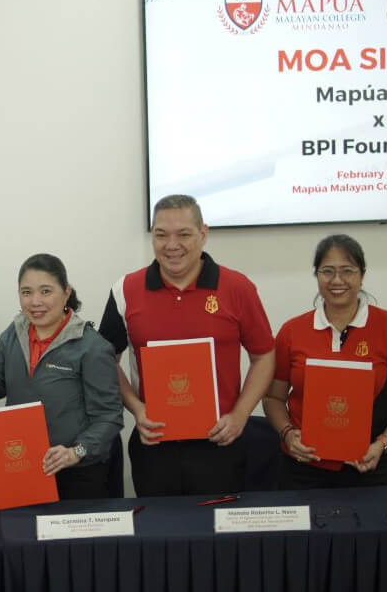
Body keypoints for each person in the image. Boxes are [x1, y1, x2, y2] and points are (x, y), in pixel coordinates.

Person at [98, 194, 275, 496]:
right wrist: (137, 408)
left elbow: (264, 355)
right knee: (160, 536)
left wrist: (241, 415)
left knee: (220, 540)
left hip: (221, 442)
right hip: (154, 443)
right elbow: (104, 360)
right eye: (161, 235)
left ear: (203, 234)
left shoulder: (237, 287)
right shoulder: (125, 289)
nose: (172, 245)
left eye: (184, 234)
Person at [0, 254, 123, 499]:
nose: (35, 301)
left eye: (45, 291)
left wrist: (76, 452)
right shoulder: (13, 333)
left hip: (79, 474)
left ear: (66, 292)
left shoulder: (92, 346)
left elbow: (109, 417)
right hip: (23, 466)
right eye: (26, 292)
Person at [263, 234, 387, 488]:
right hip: (302, 468)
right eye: (327, 271)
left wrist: (383, 443)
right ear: (316, 275)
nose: (337, 280)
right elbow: (273, 398)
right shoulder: (292, 331)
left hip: (372, 467)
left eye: (347, 271)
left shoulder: (386, 327)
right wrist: (288, 435)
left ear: (362, 274)